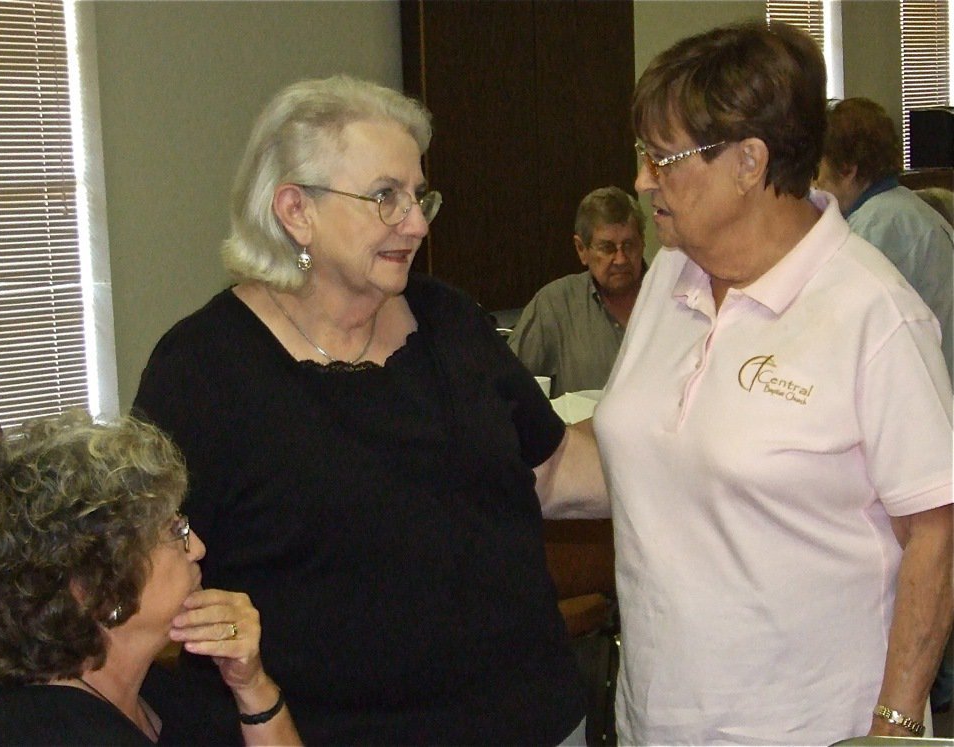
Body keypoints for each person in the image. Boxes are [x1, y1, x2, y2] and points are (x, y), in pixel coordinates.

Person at [132, 74, 607, 746]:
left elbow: (553, 468)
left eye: (419, 196)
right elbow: (137, 567)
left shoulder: (449, 320)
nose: (415, 221)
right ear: (296, 210)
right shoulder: (204, 370)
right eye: (385, 197)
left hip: (534, 720)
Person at [595, 21, 953, 745]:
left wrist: (892, 727)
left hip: (811, 725)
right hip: (658, 719)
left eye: (663, 159)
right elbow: (635, 447)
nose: (641, 180)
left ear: (749, 162)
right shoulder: (670, 273)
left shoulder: (871, 313)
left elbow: (937, 530)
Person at [0, 410, 301, 746]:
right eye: (174, 530)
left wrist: (252, 686)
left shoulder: (148, 687)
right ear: (94, 591)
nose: (197, 547)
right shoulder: (55, 733)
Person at [816, 96, 954, 380]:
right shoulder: (902, 208)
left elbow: (838, 327)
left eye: (818, 169)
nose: (815, 183)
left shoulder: (877, 228)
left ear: (847, 170)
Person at [509, 186, 646, 397]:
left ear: (643, 243)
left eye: (629, 245)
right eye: (607, 248)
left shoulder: (675, 297)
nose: (621, 259)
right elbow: (507, 387)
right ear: (581, 249)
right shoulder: (554, 305)